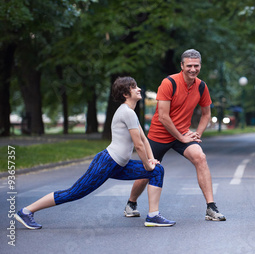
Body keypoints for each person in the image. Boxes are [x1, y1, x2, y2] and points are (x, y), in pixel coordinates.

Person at [15, 77, 175, 229]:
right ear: (126, 94)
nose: (139, 89)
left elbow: (144, 140)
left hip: (120, 164)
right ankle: (26, 211)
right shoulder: (127, 112)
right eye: (134, 87)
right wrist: (147, 165)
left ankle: (153, 216)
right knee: (74, 193)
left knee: (157, 171)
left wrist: (152, 160)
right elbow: (138, 145)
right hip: (107, 163)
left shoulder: (130, 112)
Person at [124, 49, 225, 221]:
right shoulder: (169, 83)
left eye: (196, 66)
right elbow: (163, 116)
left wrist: (197, 134)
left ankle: (211, 207)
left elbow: (206, 114)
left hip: (183, 134)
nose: (193, 69)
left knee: (200, 157)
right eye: (189, 66)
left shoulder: (201, 86)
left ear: (200, 66)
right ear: (182, 66)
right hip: (159, 135)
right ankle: (131, 203)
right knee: (148, 170)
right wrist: (182, 137)